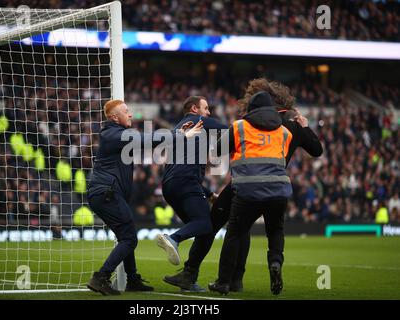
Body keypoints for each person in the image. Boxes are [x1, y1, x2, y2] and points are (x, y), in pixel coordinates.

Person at [164, 79, 323, 293]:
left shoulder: (248, 122)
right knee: (257, 229)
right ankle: (238, 279)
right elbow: (316, 150)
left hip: (244, 182)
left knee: (217, 225)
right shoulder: (293, 122)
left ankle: (195, 274)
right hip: (276, 183)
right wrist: (306, 127)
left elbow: (222, 149)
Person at [86, 99, 202, 295]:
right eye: (126, 111)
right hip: (105, 192)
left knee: (126, 236)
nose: (130, 114)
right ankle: (101, 277)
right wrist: (178, 135)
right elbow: (145, 140)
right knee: (130, 238)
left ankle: (132, 279)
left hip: (107, 193)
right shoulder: (112, 133)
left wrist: (178, 134)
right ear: (115, 117)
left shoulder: (115, 134)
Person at [156, 96, 227, 269]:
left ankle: (188, 275)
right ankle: (173, 238)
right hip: (186, 183)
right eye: (206, 108)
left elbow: (179, 170)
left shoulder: (177, 129)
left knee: (202, 229)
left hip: (169, 186)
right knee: (204, 224)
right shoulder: (199, 121)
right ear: (195, 109)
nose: (209, 112)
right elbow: (228, 129)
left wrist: (209, 194)